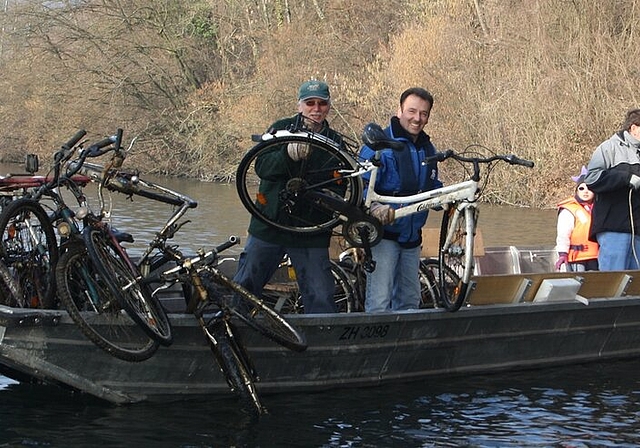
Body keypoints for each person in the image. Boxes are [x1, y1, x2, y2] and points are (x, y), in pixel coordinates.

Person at [233, 80, 342, 313]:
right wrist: (286, 154)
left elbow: (342, 187)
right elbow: (261, 166)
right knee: (246, 282)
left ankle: (322, 340)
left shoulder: (336, 142)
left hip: (311, 230)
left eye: (322, 103)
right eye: (310, 103)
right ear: (299, 105)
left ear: (328, 107)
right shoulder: (279, 129)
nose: (316, 108)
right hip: (269, 223)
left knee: (320, 294)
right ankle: (233, 327)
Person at [359, 87, 443, 312]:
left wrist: (446, 197)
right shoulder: (378, 146)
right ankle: (376, 346)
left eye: (423, 113)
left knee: (409, 301)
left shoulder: (427, 148)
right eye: (412, 111)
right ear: (399, 111)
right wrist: (375, 206)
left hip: (412, 239)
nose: (417, 118)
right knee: (379, 301)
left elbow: (432, 185)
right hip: (384, 237)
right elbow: (359, 188)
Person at [584, 108, 640, 271]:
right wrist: (625, 178)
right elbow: (592, 178)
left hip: (638, 230)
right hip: (614, 227)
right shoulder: (609, 148)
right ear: (633, 127)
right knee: (613, 277)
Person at [555, 166, 599, 272]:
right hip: (577, 258)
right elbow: (563, 235)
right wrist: (562, 254)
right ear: (577, 190)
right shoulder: (569, 210)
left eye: (589, 188)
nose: (585, 191)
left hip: (595, 257)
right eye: (581, 188)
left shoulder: (598, 209)